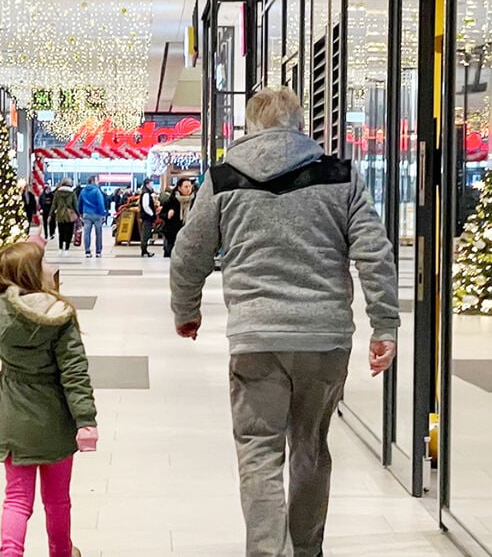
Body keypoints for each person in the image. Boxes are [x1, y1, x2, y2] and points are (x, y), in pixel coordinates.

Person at [169, 86, 399, 557]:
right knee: (310, 447)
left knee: (258, 450)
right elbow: (374, 252)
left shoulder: (224, 178)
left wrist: (186, 311)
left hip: (256, 337)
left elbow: (189, 253)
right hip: (325, 337)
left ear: (251, 126)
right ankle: (307, 551)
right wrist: (384, 324)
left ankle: (266, 552)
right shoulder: (340, 175)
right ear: (300, 124)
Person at [0, 241, 97, 557]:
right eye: (43, 264)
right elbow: (74, 373)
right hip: (55, 422)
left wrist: (24, 252)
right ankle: (61, 552)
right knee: (57, 500)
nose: (50, 268)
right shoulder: (59, 316)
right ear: (33, 275)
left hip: (12, 420)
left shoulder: (0, 311)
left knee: (17, 499)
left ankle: (10, 553)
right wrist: (86, 421)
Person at [160, 178, 195, 259]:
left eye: (190, 186)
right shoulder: (172, 200)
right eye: (186, 187)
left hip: (189, 235)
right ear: (179, 188)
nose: (188, 189)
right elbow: (162, 214)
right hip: (173, 235)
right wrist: (167, 215)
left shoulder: (195, 201)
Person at [78, 176, 107, 258]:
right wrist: (103, 214)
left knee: (87, 233)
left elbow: (80, 202)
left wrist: (80, 213)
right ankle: (98, 251)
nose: (98, 183)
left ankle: (87, 251)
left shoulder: (83, 191)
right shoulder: (97, 191)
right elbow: (100, 203)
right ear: (93, 181)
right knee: (98, 233)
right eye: (97, 181)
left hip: (86, 213)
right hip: (97, 214)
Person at [49, 178, 79, 256]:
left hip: (60, 214)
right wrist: (78, 215)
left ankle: (60, 249)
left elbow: (54, 205)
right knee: (69, 233)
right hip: (69, 215)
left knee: (61, 232)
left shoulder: (57, 193)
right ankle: (66, 250)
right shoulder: (72, 193)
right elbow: (75, 205)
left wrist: (50, 215)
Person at [139, 178, 157, 257]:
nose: (152, 186)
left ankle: (144, 250)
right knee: (146, 234)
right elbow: (145, 205)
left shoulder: (146, 193)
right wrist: (152, 213)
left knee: (146, 233)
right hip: (147, 217)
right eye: (151, 184)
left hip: (146, 216)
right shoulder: (146, 194)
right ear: (147, 184)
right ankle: (144, 251)